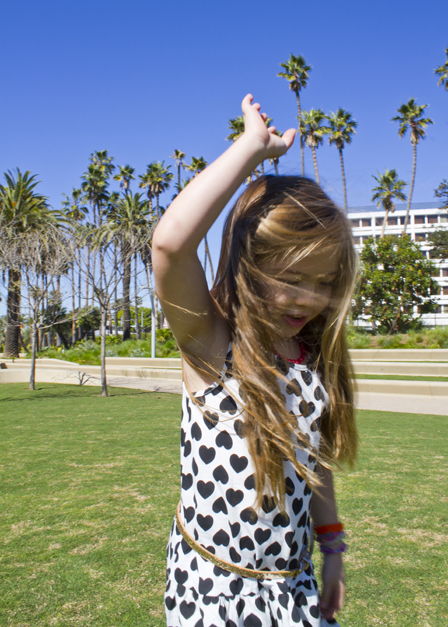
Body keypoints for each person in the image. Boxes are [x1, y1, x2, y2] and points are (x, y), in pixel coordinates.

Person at [152, 94, 358, 627]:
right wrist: (250, 149)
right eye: (291, 278)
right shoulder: (212, 347)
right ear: (247, 264)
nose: (309, 299)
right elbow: (171, 246)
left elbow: (314, 464)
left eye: (324, 282)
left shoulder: (311, 359)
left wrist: (331, 546)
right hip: (216, 591)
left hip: (294, 587)